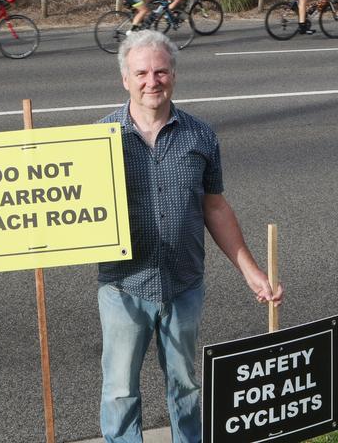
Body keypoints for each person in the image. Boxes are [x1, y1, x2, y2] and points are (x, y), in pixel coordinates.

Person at [97, 30, 284, 443]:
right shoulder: (98, 139)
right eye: (141, 72)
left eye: (161, 71)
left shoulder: (199, 135)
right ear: (125, 79)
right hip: (124, 286)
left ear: (174, 76)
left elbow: (214, 206)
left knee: (186, 385)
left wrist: (251, 271)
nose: (152, 81)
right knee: (120, 390)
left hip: (184, 284)